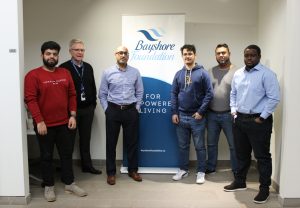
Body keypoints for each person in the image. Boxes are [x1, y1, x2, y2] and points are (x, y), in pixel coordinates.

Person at [24, 41, 87, 202]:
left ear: (58, 55)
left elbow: (72, 95)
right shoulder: (33, 75)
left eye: (54, 54)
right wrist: (39, 121)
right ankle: (49, 186)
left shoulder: (65, 73)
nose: (52, 57)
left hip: (64, 123)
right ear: (42, 55)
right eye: (48, 53)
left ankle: (69, 183)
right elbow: (30, 100)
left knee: (66, 155)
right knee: (46, 156)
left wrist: (72, 115)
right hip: (45, 125)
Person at [224, 45, 280, 204]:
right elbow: (233, 94)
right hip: (239, 119)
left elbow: (274, 98)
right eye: (246, 55)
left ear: (259, 56)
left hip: (259, 122)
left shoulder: (267, 74)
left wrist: (262, 118)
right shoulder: (238, 74)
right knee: (241, 154)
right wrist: (234, 112)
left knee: (262, 157)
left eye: (253, 55)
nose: (249, 58)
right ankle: (240, 181)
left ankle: (264, 189)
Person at [98, 46, 144, 185]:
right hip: (113, 110)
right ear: (116, 55)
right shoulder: (107, 72)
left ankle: (133, 170)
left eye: (125, 53)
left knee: (132, 142)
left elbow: (140, 91)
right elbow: (102, 93)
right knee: (111, 143)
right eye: (120, 53)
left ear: (128, 56)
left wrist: (136, 108)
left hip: (131, 111)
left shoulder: (135, 72)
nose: (123, 55)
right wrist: (107, 109)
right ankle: (111, 173)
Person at [171, 44, 213, 184]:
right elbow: (174, 93)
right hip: (181, 116)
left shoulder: (203, 73)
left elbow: (209, 94)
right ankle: (183, 169)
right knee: (183, 146)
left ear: (195, 55)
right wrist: (174, 112)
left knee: (200, 146)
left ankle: (201, 171)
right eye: (185, 54)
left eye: (190, 54)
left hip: (197, 117)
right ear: (182, 56)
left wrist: (201, 112)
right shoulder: (178, 74)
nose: (187, 56)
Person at [60, 39, 101, 175]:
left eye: (82, 50)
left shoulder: (88, 67)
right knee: (68, 141)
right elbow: (61, 91)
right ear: (70, 51)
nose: (80, 52)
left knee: (85, 139)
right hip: (71, 112)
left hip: (87, 109)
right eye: (76, 50)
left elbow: (93, 87)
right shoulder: (63, 68)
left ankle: (87, 166)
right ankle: (67, 168)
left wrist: (93, 104)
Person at [206, 43, 238, 175]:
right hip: (211, 115)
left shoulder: (237, 71)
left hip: (229, 115)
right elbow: (206, 92)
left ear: (229, 53)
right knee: (211, 144)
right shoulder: (210, 71)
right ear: (215, 56)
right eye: (218, 53)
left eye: (224, 52)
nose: (221, 55)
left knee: (234, 145)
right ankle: (211, 167)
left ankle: (237, 169)